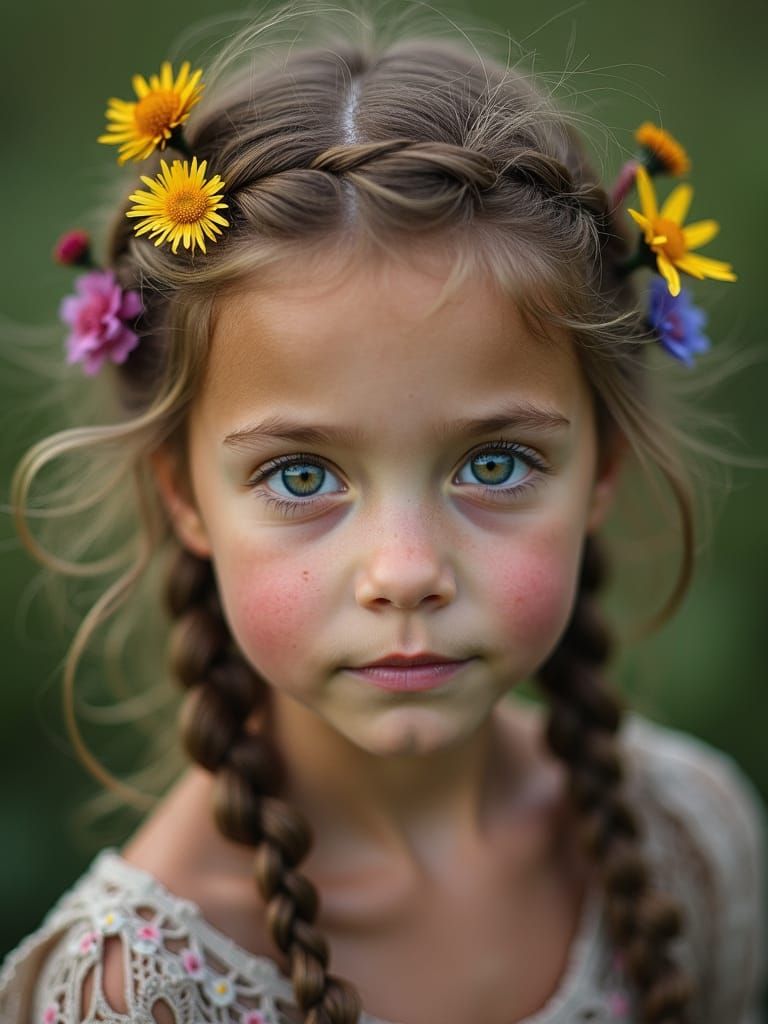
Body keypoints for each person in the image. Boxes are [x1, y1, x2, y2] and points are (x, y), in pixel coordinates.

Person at [0, 4, 765, 1023]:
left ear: (603, 470)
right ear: (181, 494)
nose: (405, 570)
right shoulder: (134, 992)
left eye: (494, 462)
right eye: (304, 477)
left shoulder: (691, 844)